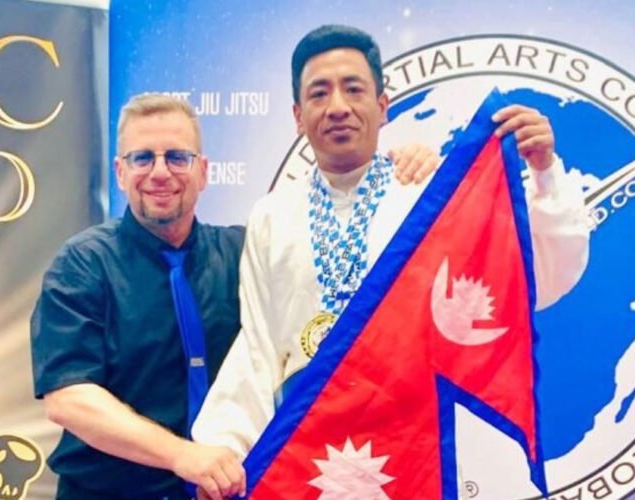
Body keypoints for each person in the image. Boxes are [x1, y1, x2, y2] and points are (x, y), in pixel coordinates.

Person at [192, 22, 590, 475]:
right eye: (319, 94)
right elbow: (259, 346)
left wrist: (543, 173)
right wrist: (225, 446)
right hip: (313, 450)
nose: (337, 107)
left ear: (382, 107)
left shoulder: (429, 195)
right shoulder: (272, 214)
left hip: (419, 442)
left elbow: (529, 280)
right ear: (298, 116)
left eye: (353, 89)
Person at [30, 92, 441, 500]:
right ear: (120, 172)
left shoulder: (244, 253)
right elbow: (69, 399)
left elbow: (347, 281)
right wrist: (182, 456)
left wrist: (404, 175)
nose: (160, 172)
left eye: (177, 157)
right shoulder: (82, 265)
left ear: (203, 171)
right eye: (142, 158)